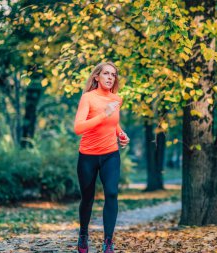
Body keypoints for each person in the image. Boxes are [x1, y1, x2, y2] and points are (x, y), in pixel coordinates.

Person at [74, 62, 130, 253]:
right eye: (106, 73)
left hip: (110, 155)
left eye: (113, 75)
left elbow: (113, 123)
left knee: (112, 193)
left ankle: (108, 242)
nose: (110, 77)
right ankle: (83, 234)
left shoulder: (116, 99)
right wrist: (104, 115)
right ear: (97, 77)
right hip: (88, 156)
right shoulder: (88, 98)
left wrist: (121, 134)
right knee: (87, 198)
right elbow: (78, 128)